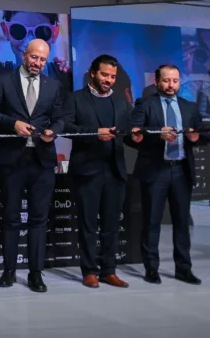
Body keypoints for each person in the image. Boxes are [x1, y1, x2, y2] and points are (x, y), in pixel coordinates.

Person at [0, 38, 64, 293]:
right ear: (24, 54)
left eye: (43, 59)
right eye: (34, 57)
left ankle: (36, 273)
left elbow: (60, 118)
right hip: (11, 160)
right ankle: (9, 270)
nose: (38, 63)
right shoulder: (3, 80)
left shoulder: (53, 85)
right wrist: (13, 124)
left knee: (39, 219)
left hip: (42, 160)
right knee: (10, 217)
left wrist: (53, 131)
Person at [129, 64, 208, 285]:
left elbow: (202, 134)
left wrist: (196, 138)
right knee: (152, 221)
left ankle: (183, 268)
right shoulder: (145, 104)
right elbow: (133, 134)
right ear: (156, 82)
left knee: (182, 223)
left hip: (181, 170)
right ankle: (151, 269)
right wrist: (157, 135)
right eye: (166, 80)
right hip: (156, 170)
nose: (171, 85)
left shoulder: (189, 107)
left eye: (175, 80)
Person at [63, 54, 134, 289]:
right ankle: (89, 271)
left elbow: (127, 135)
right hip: (87, 171)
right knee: (88, 224)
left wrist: (137, 137)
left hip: (115, 170)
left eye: (112, 76)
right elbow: (67, 128)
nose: (108, 80)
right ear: (93, 73)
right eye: (104, 75)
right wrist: (95, 133)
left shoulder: (122, 102)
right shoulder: (75, 98)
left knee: (112, 226)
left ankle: (109, 270)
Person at [0, 10, 70, 88]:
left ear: (55, 33)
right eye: (18, 30)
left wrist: (74, 71)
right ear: (5, 30)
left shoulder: (64, 76)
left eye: (41, 32)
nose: (30, 42)